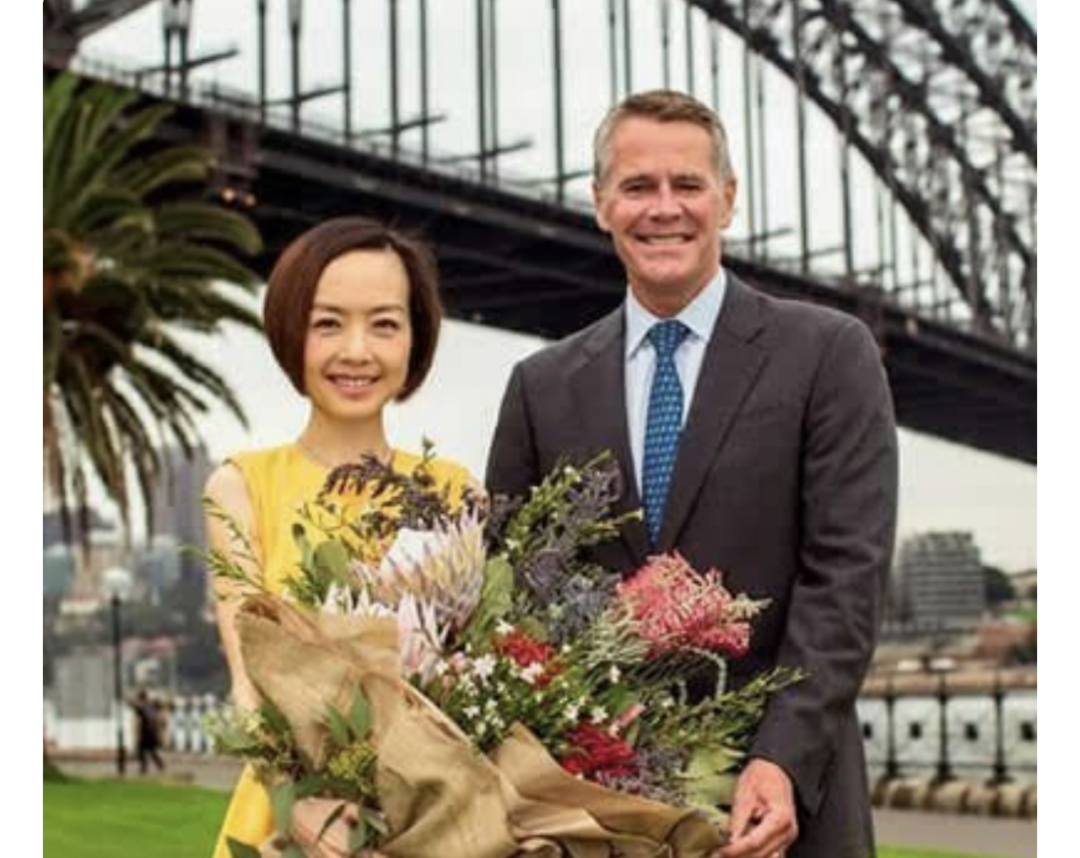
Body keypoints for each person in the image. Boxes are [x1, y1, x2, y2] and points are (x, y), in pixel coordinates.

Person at [486, 90, 898, 858]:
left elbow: (847, 576)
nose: (664, 208)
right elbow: (511, 596)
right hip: (596, 811)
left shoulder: (827, 354)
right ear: (601, 203)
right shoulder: (540, 388)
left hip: (780, 805)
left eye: (688, 184)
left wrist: (782, 757)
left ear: (728, 199)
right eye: (637, 186)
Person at [205, 216, 475, 858]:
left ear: (415, 338)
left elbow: (474, 675)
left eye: (384, 324)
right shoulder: (242, 487)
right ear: (290, 330)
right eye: (328, 323)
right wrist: (303, 801)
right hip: (286, 820)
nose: (357, 351)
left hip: (429, 820)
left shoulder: (456, 492)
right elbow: (249, 684)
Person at [131, 688, 166, 775]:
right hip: (152, 732)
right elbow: (160, 708)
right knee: (151, 751)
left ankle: (145, 767)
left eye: (139, 698)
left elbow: (135, 708)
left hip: (146, 733)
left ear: (141, 698)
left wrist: (136, 735)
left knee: (141, 751)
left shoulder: (142, 707)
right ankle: (159, 765)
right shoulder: (151, 705)